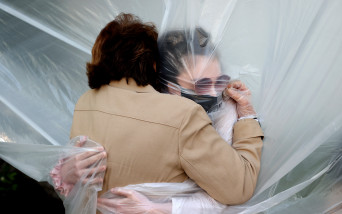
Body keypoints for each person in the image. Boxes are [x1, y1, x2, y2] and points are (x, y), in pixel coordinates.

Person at [63, 12, 263, 212]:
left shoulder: (85, 103)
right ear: (154, 65)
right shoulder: (182, 114)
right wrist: (247, 119)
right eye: (201, 84)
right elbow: (239, 187)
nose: (215, 92)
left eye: (220, 81)